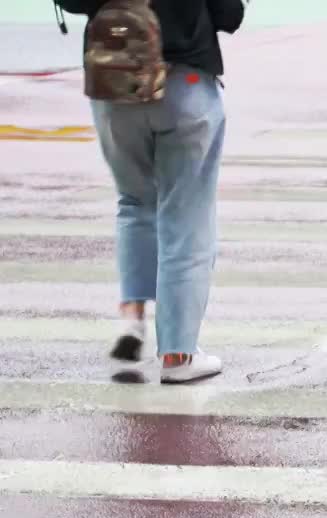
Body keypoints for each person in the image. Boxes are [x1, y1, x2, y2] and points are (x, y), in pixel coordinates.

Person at [55, 0, 245, 384]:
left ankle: (132, 317)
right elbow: (230, 15)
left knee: (134, 201)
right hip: (185, 84)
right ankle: (178, 355)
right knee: (185, 217)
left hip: (116, 84)